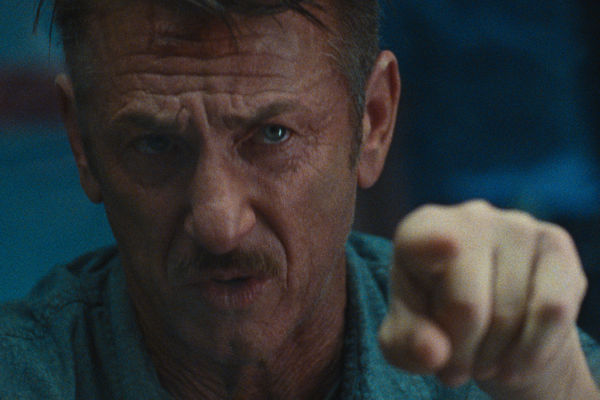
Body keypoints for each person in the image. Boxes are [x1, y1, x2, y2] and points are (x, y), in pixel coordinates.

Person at [1, 0, 599, 398]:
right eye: (155, 144)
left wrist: (556, 390)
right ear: (82, 144)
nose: (219, 223)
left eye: (273, 135)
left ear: (374, 120)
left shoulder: (500, 371)